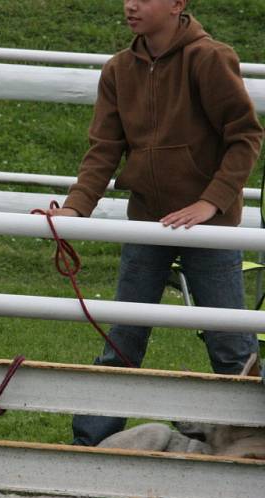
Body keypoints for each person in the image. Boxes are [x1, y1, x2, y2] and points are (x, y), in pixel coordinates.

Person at [45, 0, 264, 445]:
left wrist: (210, 204)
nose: (130, 5)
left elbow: (245, 137)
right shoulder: (118, 69)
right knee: (123, 338)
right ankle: (89, 448)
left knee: (231, 346)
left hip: (209, 228)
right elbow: (104, 148)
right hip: (145, 222)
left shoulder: (209, 57)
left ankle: (252, 447)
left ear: (178, 4)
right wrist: (74, 208)